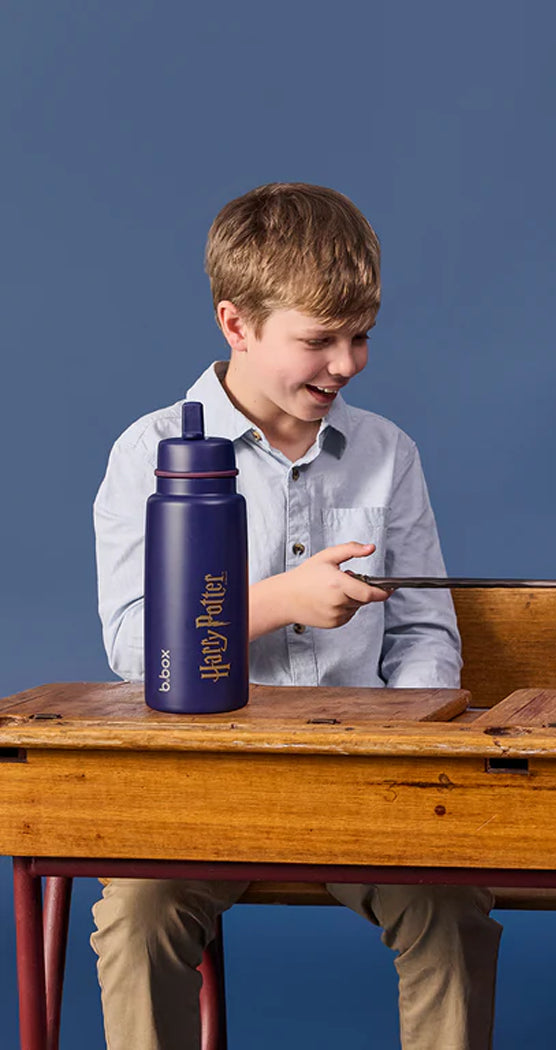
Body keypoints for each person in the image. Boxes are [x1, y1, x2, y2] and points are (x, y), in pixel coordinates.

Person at [92, 183, 502, 1050]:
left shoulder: (388, 453)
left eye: (361, 336)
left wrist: (408, 744)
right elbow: (133, 644)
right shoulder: (147, 453)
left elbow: (425, 629)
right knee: (137, 916)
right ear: (236, 324)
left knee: (452, 904)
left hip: (366, 784)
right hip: (203, 788)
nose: (346, 363)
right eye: (319, 340)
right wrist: (281, 601)